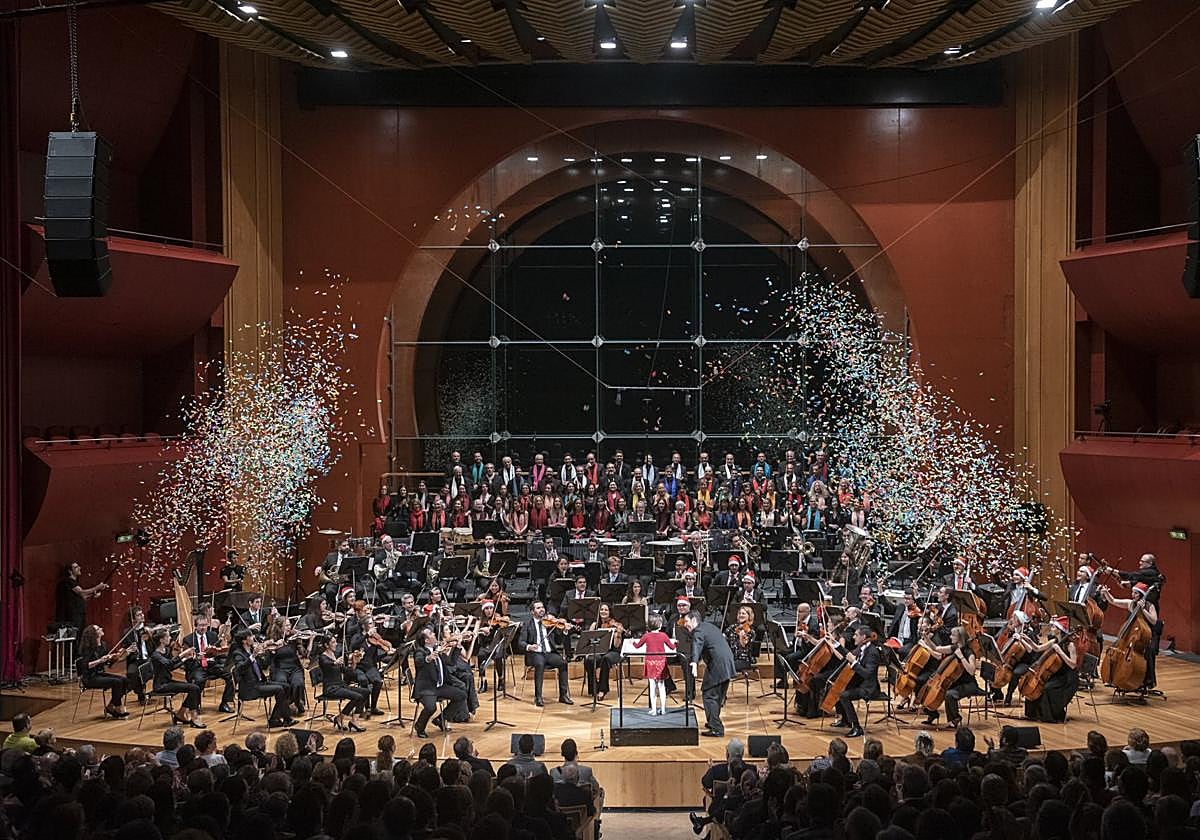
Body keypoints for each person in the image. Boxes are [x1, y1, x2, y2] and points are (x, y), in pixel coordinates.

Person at [228, 629, 293, 727]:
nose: (253, 638)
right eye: (250, 636)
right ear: (244, 641)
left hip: (261, 683)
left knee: (287, 686)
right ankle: (287, 719)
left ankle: (274, 719)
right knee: (279, 689)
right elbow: (240, 668)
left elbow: (264, 665)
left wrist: (271, 653)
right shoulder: (238, 653)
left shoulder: (252, 650)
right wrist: (253, 656)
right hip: (250, 688)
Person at [686, 610, 736, 737]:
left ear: (693, 620)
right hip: (727, 664)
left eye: (686, 621)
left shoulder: (698, 631)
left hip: (718, 665)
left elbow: (697, 645)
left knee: (709, 695)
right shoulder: (709, 626)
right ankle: (713, 722)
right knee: (717, 695)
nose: (685, 624)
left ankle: (716, 728)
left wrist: (694, 662)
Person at [1103, 580, 1161, 690]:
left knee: (1147, 652)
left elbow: (1153, 621)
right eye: (1133, 592)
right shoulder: (1131, 604)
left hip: (1145, 637)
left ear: (1141, 595)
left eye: (1135, 593)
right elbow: (1114, 601)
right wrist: (1106, 593)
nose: (1132, 595)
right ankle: (1115, 677)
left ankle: (1146, 681)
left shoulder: (1150, 606)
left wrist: (1143, 609)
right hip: (1131, 635)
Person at [412, 626, 468, 738]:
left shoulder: (438, 650)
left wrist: (457, 647)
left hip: (439, 686)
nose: (434, 634)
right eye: (431, 634)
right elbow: (419, 661)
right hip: (426, 688)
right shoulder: (420, 651)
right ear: (427, 640)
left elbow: (451, 662)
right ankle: (419, 726)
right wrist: (428, 658)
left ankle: (440, 719)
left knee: (461, 695)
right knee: (431, 707)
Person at [921, 625, 981, 729]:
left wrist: (961, 657)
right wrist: (926, 638)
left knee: (949, 694)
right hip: (957, 682)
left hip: (969, 684)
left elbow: (971, 671)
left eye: (953, 635)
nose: (950, 637)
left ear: (960, 637)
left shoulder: (969, 653)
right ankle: (934, 713)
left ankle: (955, 718)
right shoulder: (954, 647)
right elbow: (936, 648)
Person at [1023, 615, 1079, 724]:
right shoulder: (1054, 641)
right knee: (1037, 686)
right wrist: (1028, 640)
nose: (1051, 628)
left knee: (1047, 688)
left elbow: (1073, 665)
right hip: (1056, 673)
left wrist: (1060, 652)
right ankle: (1034, 714)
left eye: (1053, 627)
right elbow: (1037, 648)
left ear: (1059, 630)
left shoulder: (1070, 645)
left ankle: (1050, 716)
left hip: (1067, 677)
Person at [518, 602, 574, 707]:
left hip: (550, 653)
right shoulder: (528, 624)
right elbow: (520, 642)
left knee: (563, 663)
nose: (541, 609)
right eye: (538, 608)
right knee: (540, 664)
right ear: (532, 611)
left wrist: (565, 631)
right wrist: (529, 647)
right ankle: (538, 697)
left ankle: (563, 695)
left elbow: (558, 641)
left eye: (542, 607)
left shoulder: (550, 624)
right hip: (535, 654)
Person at [149, 627, 205, 728]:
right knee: (194, 688)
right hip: (161, 685)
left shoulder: (165, 650)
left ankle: (182, 713)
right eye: (167, 636)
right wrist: (183, 653)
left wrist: (185, 659)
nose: (170, 638)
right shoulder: (155, 655)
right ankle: (194, 717)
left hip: (168, 681)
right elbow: (169, 664)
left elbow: (171, 667)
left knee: (194, 688)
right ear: (161, 640)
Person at [75, 624, 131, 719]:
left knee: (124, 680)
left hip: (99, 673)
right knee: (116, 682)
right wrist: (100, 660)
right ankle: (117, 708)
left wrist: (120, 655)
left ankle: (110, 706)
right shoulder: (88, 648)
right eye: (98, 629)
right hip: (89, 678)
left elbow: (108, 663)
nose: (101, 628)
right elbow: (85, 665)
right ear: (93, 634)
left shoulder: (103, 645)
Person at [182, 614, 236, 713]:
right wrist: (197, 656)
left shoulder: (212, 635)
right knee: (198, 681)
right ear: (195, 626)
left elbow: (219, 651)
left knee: (230, 676)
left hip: (212, 665)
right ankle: (195, 706)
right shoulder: (188, 639)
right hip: (197, 667)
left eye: (205, 625)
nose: (203, 628)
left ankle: (224, 703)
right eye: (201, 625)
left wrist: (218, 650)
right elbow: (187, 659)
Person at [834, 625, 880, 738]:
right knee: (840, 689)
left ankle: (856, 727)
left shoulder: (872, 652)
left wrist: (854, 663)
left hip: (869, 688)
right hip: (859, 683)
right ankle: (846, 720)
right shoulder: (861, 648)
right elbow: (848, 655)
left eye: (856, 635)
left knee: (844, 695)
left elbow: (867, 674)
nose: (854, 637)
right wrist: (834, 644)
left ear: (863, 637)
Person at [316, 633, 368, 732]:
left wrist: (354, 662)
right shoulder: (323, 657)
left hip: (341, 685)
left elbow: (348, 672)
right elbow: (325, 664)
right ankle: (341, 718)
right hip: (331, 689)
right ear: (326, 645)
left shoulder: (334, 655)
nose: (336, 644)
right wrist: (335, 663)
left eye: (335, 641)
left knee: (365, 692)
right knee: (358, 697)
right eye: (333, 642)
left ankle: (353, 720)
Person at [632, 613, 677, 715]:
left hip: (650, 663)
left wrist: (632, 642)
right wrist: (676, 643)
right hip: (661, 662)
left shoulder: (646, 636)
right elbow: (672, 647)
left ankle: (653, 710)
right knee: (661, 686)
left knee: (652, 686)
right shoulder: (664, 635)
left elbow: (637, 646)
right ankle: (663, 709)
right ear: (660, 625)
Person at [56, 562, 108, 634]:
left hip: (79, 615)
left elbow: (83, 597)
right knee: (74, 637)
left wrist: (93, 594)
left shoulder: (75, 582)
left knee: (80, 635)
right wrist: (97, 587)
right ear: (70, 571)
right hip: (72, 616)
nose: (79, 568)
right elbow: (81, 592)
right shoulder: (68, 581)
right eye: (76, 567)